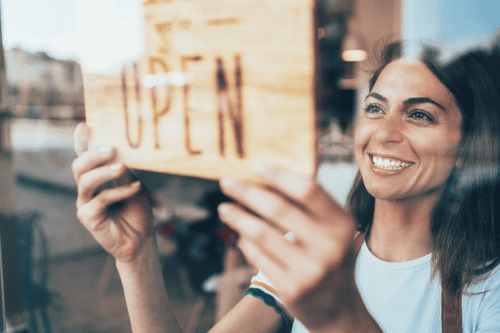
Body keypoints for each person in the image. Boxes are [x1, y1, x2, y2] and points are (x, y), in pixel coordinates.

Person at [71, 41, 500, 332]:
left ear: (466, 144)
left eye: (419, 115)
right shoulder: (306, 253)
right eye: (375, 108)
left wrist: (339, 315)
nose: (384, 134)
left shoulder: (488, 290)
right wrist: (136, 254)